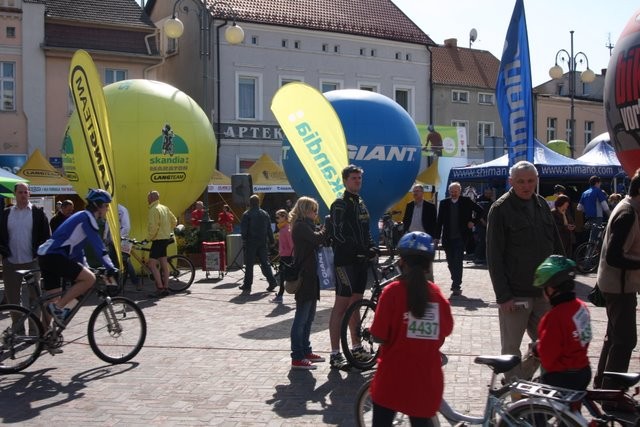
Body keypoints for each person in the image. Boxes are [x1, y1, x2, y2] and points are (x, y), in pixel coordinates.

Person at [486, 160, 564, 382]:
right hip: (515, 294)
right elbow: (494, 256)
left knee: (548, 345)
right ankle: (515, 399)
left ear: (537, 181)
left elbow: (557, 247)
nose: (526, 185)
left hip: (543, 293)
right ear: (511, 182)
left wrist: (560, 284)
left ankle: (526, 382)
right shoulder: (500, 209)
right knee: (511, 350)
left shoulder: (542, 206)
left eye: (530, 181)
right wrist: (503, 296)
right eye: (521, 181)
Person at [369, 231, 454, 425]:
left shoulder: (392, 292)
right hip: (425, 380)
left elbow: (379, 335)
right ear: (428, 264)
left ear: (402, 262)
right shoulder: (437, 296)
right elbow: (446, 329)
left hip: (392, 378)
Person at [38, 189, 117, 327]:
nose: (107, 209)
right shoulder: (88, 218)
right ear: (97, 205)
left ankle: (45, 339)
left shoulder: (81, 216)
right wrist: (111, 267)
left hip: (47, 256)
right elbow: (99, 247)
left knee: (52, 300)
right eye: (106, 205)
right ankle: (59, 308)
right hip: (55, 256)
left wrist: (85, 267)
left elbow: (76, 250)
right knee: (89, 279)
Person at [594, 168, 640, 390]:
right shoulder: (628, 213)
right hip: (619, 287)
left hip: (617, 285)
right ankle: (611, 393)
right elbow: (614, 256)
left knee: (614, 337)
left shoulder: (629, 209)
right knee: (625, 340)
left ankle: (603, 385)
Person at [328, 164, 377, 370]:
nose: (358, 181)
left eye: (359, 178)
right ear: (345, 181)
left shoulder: (361, 204)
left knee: (355, 304)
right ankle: (335, 354)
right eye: (354, 178)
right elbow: (337, 234)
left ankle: (356, 347)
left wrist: (372, 246)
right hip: (345, 262)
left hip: (360, 261)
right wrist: (356, 248)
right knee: (341, 305)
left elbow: (365, 231)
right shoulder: (340, 204)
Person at [531, 255, 592, 390]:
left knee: (535, 406)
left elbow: (548, 358)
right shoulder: (582, 307)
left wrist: (537, 348)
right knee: (572, 409)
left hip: (562, 377)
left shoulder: (554, 318)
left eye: (544, 288)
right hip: (583, 371)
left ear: (552, 289)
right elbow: (583, 339)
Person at [0, 183, 50, 318]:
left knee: (35, 299)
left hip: (32, 262)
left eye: (25, 192)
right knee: (13, 300)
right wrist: (4, 253)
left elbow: (46, 237)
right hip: (11, 263)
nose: (23, 195)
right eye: (20, 192)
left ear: (29, 194)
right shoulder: (6, 214)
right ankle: (18, 331)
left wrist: (39, 254)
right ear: (14, 194)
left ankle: (35, 332)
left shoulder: (38, 213)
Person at [289, 197, 326, 369]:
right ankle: (297, 356)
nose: (316, 213)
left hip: (312, 276)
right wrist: (328, 227)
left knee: (309, 317)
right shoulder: (301, 227)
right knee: (301, 318)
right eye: (314, 210)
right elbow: (318, 239)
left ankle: (305, 350)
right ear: (305, 210)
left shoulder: (307, 226)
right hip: (305, 276)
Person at [435, 181, 484, 296]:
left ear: (460, 191)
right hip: (447, 237)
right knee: (450, 262)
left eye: (456, 191)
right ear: (449, 192)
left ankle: (456, 284)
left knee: (457, 260)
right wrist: (436, 237)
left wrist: (473, 222)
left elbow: (480, 211)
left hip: (461, 237)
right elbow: (439, 221)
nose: (453, 193)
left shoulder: (466, 201)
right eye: (452, 191)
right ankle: (455, 278)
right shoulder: (444, 203)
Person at [239, 194, 278, 294]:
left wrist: (244, 239)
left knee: (249, 264)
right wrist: (272, 241)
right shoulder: (265, 214)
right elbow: (269, 229)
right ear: (258, 202)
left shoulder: (247, 214)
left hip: (251, 242)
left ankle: (247, 285)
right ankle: (272, 281)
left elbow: (244, 230)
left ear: (250, 203)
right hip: (262, 241)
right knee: (265, 263)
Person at [146, 190, 178, 297]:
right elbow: (174, 221)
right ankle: (166, 287)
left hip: (158, 239)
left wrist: (147, 239)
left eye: (148, 197)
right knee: (164, 262)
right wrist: (168, 230)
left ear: (151, 198)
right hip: (165, 238)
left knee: (152, 264)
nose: (147, 199)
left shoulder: (153, 210)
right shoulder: (164, 207)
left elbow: (153, 227)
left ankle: (160, 288)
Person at [577, 176, 611, 243]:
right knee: (595, 238)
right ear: (597, 183)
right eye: (600, 183)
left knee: (592, 236)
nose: (600, 185)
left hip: (589, 217)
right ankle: (590, 252)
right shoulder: (598, 191)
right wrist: (611, 215)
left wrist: (587, 209)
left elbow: (579, 208)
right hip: (597, 217)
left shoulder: (585, 193)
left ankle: (591, 250)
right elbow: (605, 206)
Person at [272, 208, 293, 303]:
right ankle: (280, 294)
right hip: (285, 255)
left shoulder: (286, 229)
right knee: (284, 276)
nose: (276, 219)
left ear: (284, 217)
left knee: (284, 277)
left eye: (278, 217)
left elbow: (291, 245)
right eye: (276, 217)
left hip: (287, 257)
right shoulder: (284, 228)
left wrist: (286, 252)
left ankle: (280, 295)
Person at [473, 188, 495, 265]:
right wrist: (483, 222)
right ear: (484, 193)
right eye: (487, 193)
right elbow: (477, 213)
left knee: (487, 241)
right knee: (481, 241)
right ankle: (477, 257)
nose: (489, 195)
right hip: (481, 224)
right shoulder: (479, 200)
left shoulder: (491, 201)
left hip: (488, 224)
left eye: (490, 193)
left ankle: (485, 257)